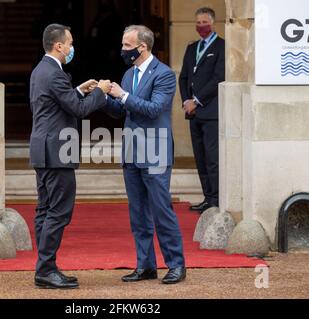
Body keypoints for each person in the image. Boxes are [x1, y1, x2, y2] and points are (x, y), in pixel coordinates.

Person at [30, 23, 112, 289]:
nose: (72, 47)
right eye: (70, 42)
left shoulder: (42, 70)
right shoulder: (54, 73)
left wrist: (78, 89)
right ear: (59, 45)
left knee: (45, 209)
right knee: (58, 211)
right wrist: (100, 90)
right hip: (56, 151)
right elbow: (78, 110)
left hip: (44, 149)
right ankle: (45, 269)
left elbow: (60, 102)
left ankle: (46, 266)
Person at [105, 25, 186, 285]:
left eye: (127, 46)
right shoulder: (129, 74)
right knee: (138, 213)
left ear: (143, 47)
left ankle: (176, 265)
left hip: (155, 151)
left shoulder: (164, 74)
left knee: (161, 211)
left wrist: (123, 95)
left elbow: (154, 109)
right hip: (132, 151)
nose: (123, 50)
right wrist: (103, 96)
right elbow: (121, 110)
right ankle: (146, 265)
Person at [179, 7, 225, 213]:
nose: (201, 26)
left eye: (204, 22)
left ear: (213, 23)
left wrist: (196, 101)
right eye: (198, 23)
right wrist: (186, 101)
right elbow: (184, 78)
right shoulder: (192, 48)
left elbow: (218, 78)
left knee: (212, 158)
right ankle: (207, 197)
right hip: (193, 113)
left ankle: (216, 199)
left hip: (210, 112)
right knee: (200, 158)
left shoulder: (222, 46)